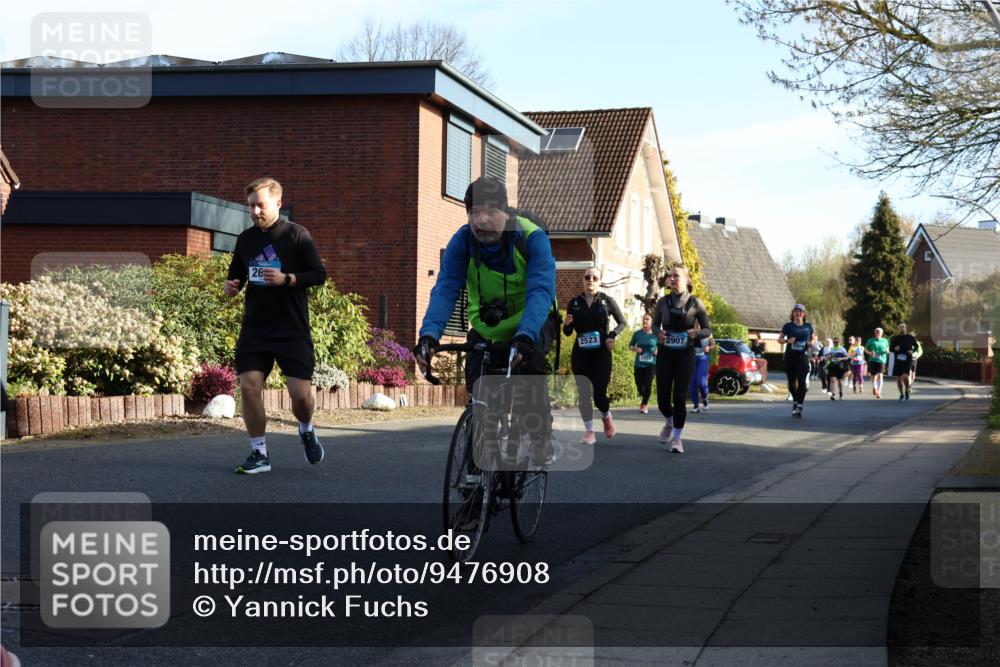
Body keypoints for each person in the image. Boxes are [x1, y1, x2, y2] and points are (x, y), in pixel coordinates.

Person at [415, 176, 556, 467]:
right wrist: (429, 335)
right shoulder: (463, 241)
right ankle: (474, 483)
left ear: (506, 212)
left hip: (532, 320)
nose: (481, 221)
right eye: (474, 213)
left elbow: (541, 289)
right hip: (487, 327)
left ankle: (540, 433)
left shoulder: (531, 238)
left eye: (490, 212)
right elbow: (446, 288)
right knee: (480, 401)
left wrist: (526, 334)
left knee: (530, 375)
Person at [225, 177, 328, 474]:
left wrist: (289, 279)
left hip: (291, 329)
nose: (255, 211)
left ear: (278, 204)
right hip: (256, 328)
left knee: (300, 394)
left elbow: (319, 274)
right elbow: (236, 277)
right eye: (251, 206)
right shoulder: (245, 240)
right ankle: (259, 454)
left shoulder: (297, 235)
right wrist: (231, 287)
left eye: (260, 205)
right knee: (249, 385)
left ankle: (306, 428)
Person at [652, 264, 712, 453]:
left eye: (676, 276)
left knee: (679, 397)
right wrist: (658, 334)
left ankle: (677, 439)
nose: (672, 279)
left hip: (686, 354)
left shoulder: (696, 303)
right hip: (665, 353)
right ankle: (669, 421)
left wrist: (696, 334)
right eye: (670, 276)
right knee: (662, 399)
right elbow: (654, 325)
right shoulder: (662, 302)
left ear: (686, 279)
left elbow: (708, 330)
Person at [563, 267, 626, 444]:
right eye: (587, 277)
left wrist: (612, 335)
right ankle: (590, 431)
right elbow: (568, 332)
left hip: (601, 354)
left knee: (599, 394)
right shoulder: (574, 303)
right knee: (583, 393)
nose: (590, 280)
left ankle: (606, 416)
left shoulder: (607, 301)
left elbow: (622, 322)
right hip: (581, 354)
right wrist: (567, 325)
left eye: (594, 277)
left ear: (600, 281)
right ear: (582, 280)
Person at [778, 304, 813, 417]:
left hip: (802, 357)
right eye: (796, 311)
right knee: (791, 382)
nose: (798, 313)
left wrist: (811, 343)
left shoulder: (808, 326)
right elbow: (779, 339)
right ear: (793, 313)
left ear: (804, 314)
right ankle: (796, 400)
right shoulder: (788, 326)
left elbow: (813, 337)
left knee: (802, 382)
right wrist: (788, 340)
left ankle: (799, 405)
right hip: (790, 357)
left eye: (800, 311)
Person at [629, 313, 658, 414]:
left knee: (648, 384)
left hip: (652, 363)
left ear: (652, 321)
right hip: (639, 364)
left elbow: (662, 346)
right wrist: (635, 348)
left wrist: (658, 350)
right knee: (639, 385)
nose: (645, 321)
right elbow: (630, 345)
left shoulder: (656, 334)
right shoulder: (637, 334)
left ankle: (644, 404)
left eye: (647, 319)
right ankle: (645, 396)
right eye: (643, 319)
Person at [890, 322, 918, 401]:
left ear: (906, 328)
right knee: (899, 378)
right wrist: (895, 349)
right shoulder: (895, 338)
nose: (902, 328)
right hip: (898, 360)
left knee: (905, 376)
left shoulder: (910, 337)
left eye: (903, 327)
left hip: (907, 360)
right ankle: (901, 394)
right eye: (900, 327)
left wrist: (912, 351)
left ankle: (907, 390)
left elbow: (916, 346)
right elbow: (891, 348)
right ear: (898, 328)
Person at [689, 335, 713, 413]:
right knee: (692, 384)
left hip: (703, 360)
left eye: (698, 322)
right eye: (696, 321)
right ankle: (696, 405)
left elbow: (713, 344)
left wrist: (709, 348)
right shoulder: (690, 330)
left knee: (701, 382)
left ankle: (705, 398)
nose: (697, 323)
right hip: (691, 360)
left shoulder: (707, 332)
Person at [864, 327, 890, 398]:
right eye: (876, 332)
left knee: (880, 375)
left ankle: (879, 392)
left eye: (879, 332)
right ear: (874, 333)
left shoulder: (885, 340)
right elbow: (865, 349)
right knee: (873, 376)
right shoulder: (870, 340)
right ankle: (874, 387)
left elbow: (887, 348)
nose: (877, 333)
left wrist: (887, 351)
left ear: (882, 333)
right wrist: (870, 353)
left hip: (882, 360)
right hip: (872, 360)